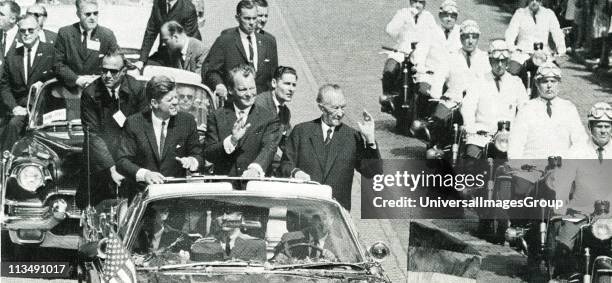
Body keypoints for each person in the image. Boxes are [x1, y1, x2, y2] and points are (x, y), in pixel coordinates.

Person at [280, 84, 381, 211]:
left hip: (335, 215)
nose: (340, 113)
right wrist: (295, 173)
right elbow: (285, 164)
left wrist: (370, 139)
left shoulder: (352, 136)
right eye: (335, 108)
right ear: (322, 107)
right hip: (303, 210)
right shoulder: (302, 131)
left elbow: (373, 172)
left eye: (342, 107)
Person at [543, 102, 612, 279]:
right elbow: (564, 182)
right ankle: (560, 278)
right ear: (590, 127)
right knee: (563, 247)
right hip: (581, 214)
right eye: (599, 126)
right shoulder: (577, 150)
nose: (604, 131)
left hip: (610, 217)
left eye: (607, 126)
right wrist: (560, 206)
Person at [78, 51, 148, 208]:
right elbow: (93, 135)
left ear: (124, 71)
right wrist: (111, 168)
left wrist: (128, 165)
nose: (107, 75)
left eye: (113, 71)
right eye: (104, 70)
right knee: (97, 207)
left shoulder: (137, 89)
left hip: (130, 155)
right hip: (101, 160)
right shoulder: (90, 93)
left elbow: (142, 128)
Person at [116, 76, 202, 193]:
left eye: (176, 97)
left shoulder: (187, 121)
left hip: (175, 195)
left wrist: (193, 161)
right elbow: (122, 162)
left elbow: (198, 154)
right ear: (155, 103)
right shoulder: (134, 123)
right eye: (170, 99)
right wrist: (145, 174)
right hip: (144, 195)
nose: (176, 102)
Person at [204, 64, 280, 177]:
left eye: (252, 88)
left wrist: (255, 169)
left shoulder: (269, 117)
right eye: (243, 89)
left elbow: (269, 148)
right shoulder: (217, 116)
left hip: (255, 186)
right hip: (226, 187)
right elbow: (209, 154)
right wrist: (232, 140)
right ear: (230, 90)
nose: (249, 94)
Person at [426, 20, 491, 150]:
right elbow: (439, 76)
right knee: (439, 118)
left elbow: (489, 82)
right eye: (466, 37)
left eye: (474, 37)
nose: (470, 41)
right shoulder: (451, 56)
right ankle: (435, 146)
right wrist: (436, 93)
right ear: (461, 38)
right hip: (452, 101)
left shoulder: (485, 58)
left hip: (475, 104)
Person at [461, 39, 528, 160]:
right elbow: (468, 106)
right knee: (470, 162)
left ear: (507, 61)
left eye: (503, 61)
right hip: (481, 136)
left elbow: (525, 109)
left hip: (507, 137)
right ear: (490, 61)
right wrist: (470, 126)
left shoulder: (516, 82)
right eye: (496, 61)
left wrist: (520, 130)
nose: (500, 65)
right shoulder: (479, 81)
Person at [507, 61, 587, 161]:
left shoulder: (568, 108)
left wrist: (568, 163)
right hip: (531, 169)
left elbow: (580, 141)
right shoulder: (527, 109)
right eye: (545, 81)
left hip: (562, 168)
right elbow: (515, 144)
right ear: (537, 83)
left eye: (553, 81)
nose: (549, 86)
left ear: (559, 83)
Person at [0, 15, 55, 153]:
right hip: (20, 110)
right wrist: (14, 107)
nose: (26, 34)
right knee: (12, 126)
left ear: (39, 30)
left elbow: (58, 75)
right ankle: (7, 164)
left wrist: (42, 83)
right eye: (23, 30)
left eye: (31, 30)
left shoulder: (51, 51)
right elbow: (4, 86)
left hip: (46, 110)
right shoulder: (12, 55)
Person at [202, 0, 278, 97]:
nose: (251, 23)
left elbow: (274, 76)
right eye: (247, 18)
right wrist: (219, 84)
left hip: (261, 104)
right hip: (234, 101)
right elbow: (210, 70)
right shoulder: (225, 41)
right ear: (237, 18)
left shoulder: (268, 42)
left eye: (254, 18)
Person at [53, 0, 119, 90]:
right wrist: (77, 79)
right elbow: (57, 64)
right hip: (70, 90)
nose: (92, 18)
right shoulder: (65, 34)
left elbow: (118, 62)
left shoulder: (107, 35)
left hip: (98, 90)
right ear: (78, 14)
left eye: (95, 13)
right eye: (88, 14)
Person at [134, 0, 201, 69]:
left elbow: (187, 39)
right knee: (145, 69)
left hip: (185, 56)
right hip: (164, 53)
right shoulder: (158, 3)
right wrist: (142, 60)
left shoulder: (188, 8)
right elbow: (151, 31)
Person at [254, 66, 296, 174]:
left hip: (266, 164)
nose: (291, 89)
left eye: (294, 85)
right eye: (287, 84)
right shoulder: (260, 104)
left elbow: (288, 143)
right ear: (274, 83)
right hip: (252, 166)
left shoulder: (285, 112)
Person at [189, 206, 266, 262]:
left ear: (239, 216)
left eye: (229, 213)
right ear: (215, 217)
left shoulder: (256, 244)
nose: (224, 218)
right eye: (220, 213)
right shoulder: (202, 245)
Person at [272, 213, 338, 261]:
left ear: (332, 219)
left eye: (324, 217)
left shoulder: (339, 245)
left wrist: (334, 259)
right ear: (311, 219)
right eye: (317, 217)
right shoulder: (292, 238)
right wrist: (284, 258)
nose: (321, 222)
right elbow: (278, 256)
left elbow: (345, 267)